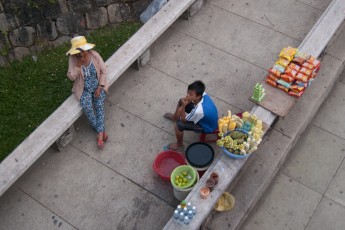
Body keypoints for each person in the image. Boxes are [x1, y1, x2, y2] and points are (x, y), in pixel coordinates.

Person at [66, 36, 109, 149]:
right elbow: (71, 77)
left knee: (99, 105)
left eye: (82, 53)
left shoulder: (94, 55)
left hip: (97, 86)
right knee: (88, 108)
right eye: (77, 53)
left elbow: (104, 71)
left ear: (86, 49)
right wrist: (79, 64)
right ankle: (101, 130)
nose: (81, 55)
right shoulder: (73, 59)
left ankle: (99, 133)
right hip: (83, 88)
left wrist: (100, 87)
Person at [164, 80, 218, 151]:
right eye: (188, 92)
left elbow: (183, 120)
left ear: (198, 96)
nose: (188, 95)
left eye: (190, 94)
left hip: (207, 126)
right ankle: (175, 117)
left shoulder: (199, 110)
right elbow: (190, 100)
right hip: (206, 117)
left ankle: (179, 145)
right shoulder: (203, 94)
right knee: (181, 101)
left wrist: (183, 105)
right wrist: (185, 101)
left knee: (178, 125)